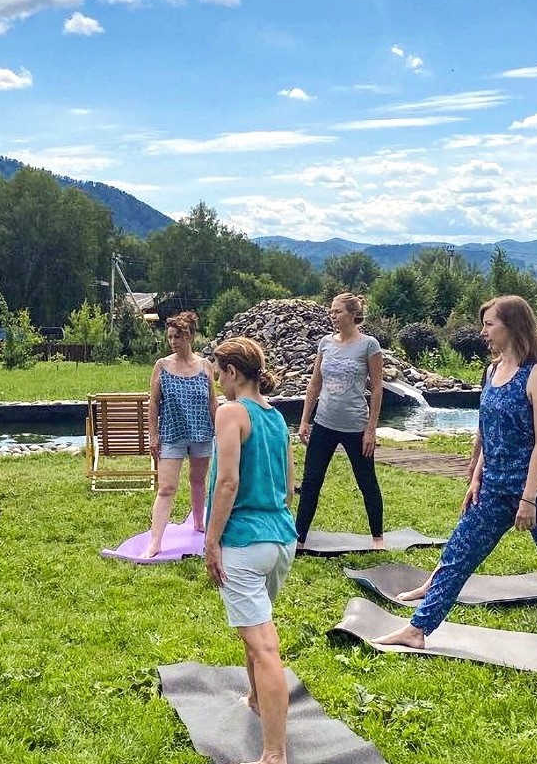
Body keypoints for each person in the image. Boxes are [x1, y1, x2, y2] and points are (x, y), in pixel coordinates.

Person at [375, 296, 537, 682]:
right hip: (493, 487)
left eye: (489, 324)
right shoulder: (491, 371)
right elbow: (486, 429)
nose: (483, 332)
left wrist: (528, 498)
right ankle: (418, 630)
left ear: (513, 326)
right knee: (457, 556)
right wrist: (476, 476)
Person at [205, 337, 297, 764]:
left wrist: (211, 541)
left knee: (264, 646)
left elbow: (227, 482)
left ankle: (274, 753)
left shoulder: (231, 412)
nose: (218, 383)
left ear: (232, 373)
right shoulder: (275, 417)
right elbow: (289, 487)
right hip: (280, 540)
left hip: (244, 542)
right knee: (255, 630)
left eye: (219, 374)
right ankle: (257, 699)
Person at [296, 292, 385, 549]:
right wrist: (304, 420)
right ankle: (299, 539)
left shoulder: (369, 345)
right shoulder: (325, 343)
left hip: (356, 426)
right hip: (324, 423)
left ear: (353, 315)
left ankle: (377, 538)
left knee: (367, 482)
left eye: (338, 311)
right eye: (331, 311)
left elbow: (377, 388)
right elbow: (315, 383)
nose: (332, 315)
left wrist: (371, 430)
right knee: (311, 481)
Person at [142, 311, 217, 558]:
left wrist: (221, 430)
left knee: (198, 480)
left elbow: (212, 402)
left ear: (190, 337)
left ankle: (199, 523)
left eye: (178, 336)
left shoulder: (205, 366)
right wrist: (153, 436)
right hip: (172, 433)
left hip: (202, 432)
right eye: (170, 337)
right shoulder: (162, 366)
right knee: (166, 487)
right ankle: (155, 541)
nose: (173, 341)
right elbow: (154, 403)